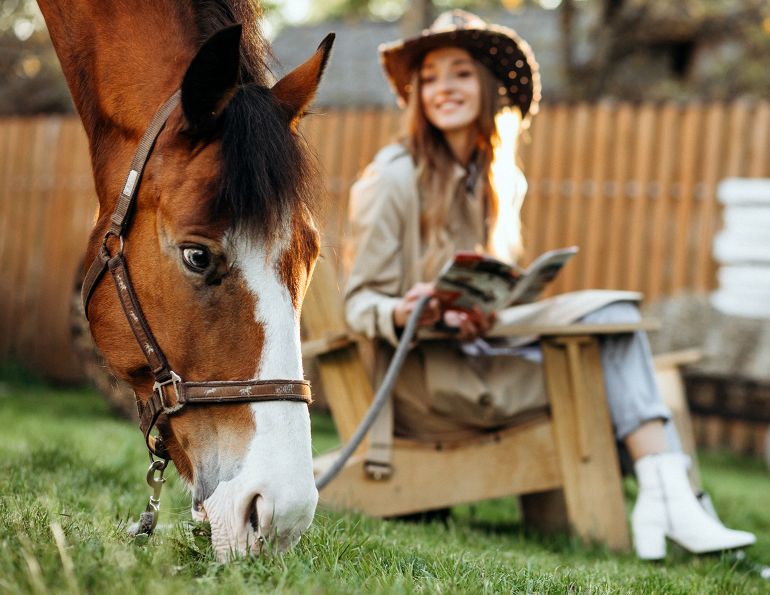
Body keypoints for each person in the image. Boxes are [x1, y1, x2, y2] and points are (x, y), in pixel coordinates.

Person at [344, 10, 755, 560]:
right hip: (429, 383)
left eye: (461, 73)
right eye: (431, 77)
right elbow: (358, 304)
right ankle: (678, 507)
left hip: (480, 353)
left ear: (488, 86)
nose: (444, 88)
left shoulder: (495, 182)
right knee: (612, 334)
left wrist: (484, 308)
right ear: (416, 93)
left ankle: (674, 507)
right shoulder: (393, 177)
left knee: (614, 337)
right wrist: (403, 309)